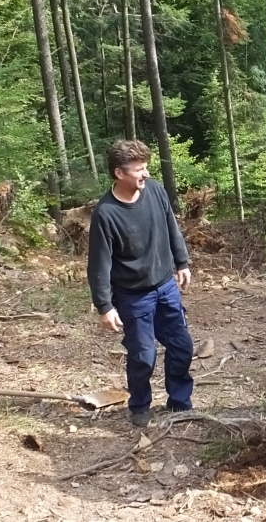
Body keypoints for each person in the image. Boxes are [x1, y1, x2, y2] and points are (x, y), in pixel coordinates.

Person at [87, 140, 194, 428]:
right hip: (133, 296)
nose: (145, 174)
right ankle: (140, 406)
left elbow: (171, 226)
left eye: (146, 167)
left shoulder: (156, 191)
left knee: (181, 346)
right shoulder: (106, 213)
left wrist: (182, 262)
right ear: (119, 173)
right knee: (143, 355)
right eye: (139, 169)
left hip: (165, 286)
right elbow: (99, 263)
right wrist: (105, 306)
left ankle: (180, 402)